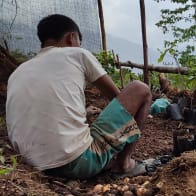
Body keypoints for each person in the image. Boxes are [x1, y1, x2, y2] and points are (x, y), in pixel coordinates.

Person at [6, 14, 152, 179]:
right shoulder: (77, 54)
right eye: (78, 43)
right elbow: (117, 97)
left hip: (30, 164)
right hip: (77, 163)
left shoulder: (17, 72)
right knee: (140, 89)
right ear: (71, 37)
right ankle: (123, 164)